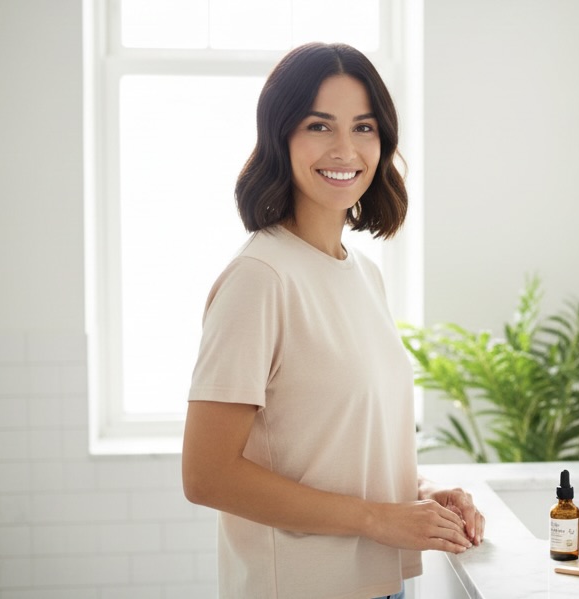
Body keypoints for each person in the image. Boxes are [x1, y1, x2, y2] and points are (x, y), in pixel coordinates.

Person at [181, 42, 485, 599]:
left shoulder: (363, 274)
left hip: (379, 583)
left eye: (364, 127)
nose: (345, 149)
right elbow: (207, 476)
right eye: (320, 126)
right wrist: (377, 519)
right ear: (281, 136)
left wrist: (419, 495)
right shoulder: (260, 277)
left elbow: (339, 447)